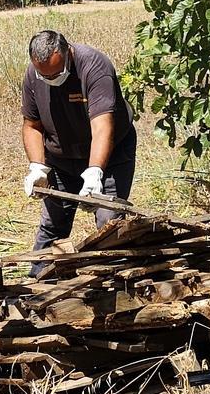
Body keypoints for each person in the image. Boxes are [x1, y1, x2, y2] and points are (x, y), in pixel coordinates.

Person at [20, 29, 137, 261]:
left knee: (109, 222)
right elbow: (32, 125)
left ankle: (113, 275)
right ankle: (41, 277)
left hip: (110, 156)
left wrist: (94, 171)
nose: (50, 79)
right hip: (61, 159)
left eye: (56, 74)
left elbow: (102, 126)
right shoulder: (34, 74)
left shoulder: (95, 67)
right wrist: (37, 168)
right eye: (45, 76)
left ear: (67, 53)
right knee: (52, 224)